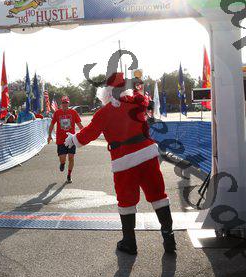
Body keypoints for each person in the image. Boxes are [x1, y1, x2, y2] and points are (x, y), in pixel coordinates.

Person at [63, 72, 176, 255]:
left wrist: (73, 139)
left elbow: (89, 133)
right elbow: (144, 117)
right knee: (158, 195)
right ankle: (169, 237)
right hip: (148, 156)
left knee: (126, 200)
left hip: (124, 161)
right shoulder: (137, 104)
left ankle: (130, 242)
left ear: (106, 93)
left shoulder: (105, 112)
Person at [48, 96, 83, 183]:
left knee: (71, 157)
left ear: (68, 103)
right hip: (60, 140)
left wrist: (85, 133)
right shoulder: (57, 113)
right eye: (63, 103)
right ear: (61, 104)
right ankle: (62, 163)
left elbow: (79, 125)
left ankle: (69, 175)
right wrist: (49, 135)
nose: (65, 104)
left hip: (71, 139)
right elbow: (52, 124)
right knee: (62, 158)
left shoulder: (73, 112)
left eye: (66, 103)